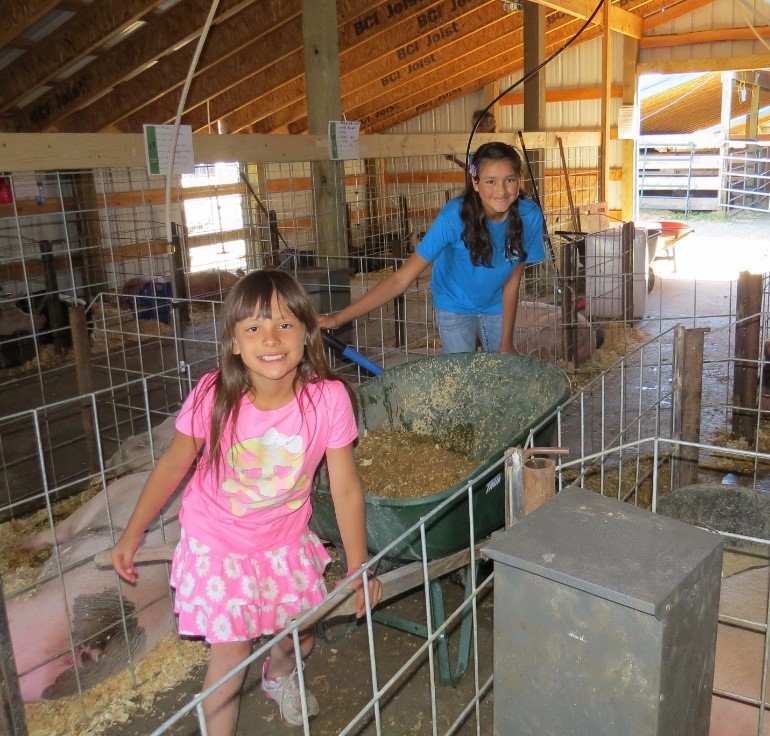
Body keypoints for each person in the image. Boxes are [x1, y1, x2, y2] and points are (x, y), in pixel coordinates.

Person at [110, 269, 381, 735]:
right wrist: (131, 534)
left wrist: (358, 568)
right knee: (231, 655)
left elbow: (345, 488)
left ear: (307, 332)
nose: (271, 339)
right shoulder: (215, 395)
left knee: (300, 635)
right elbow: (172, 466)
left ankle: (278, 676)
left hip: (284, 541)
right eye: (254, 327)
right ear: (234, 342)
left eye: (284, 324)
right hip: (218, 544)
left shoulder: (329, 399)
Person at [320, 142, 546, 353]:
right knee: (460, 372)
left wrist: (506, 341)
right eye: (491, 181)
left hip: (496, 303)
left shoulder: (529, 216)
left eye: (509, 179)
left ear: (520, 179)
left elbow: (513, 278)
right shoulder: (454, 217)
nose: (502, 190)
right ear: (475, 183)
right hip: (453, 301)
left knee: (502, 370)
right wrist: (338, 319)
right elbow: (400, 280)